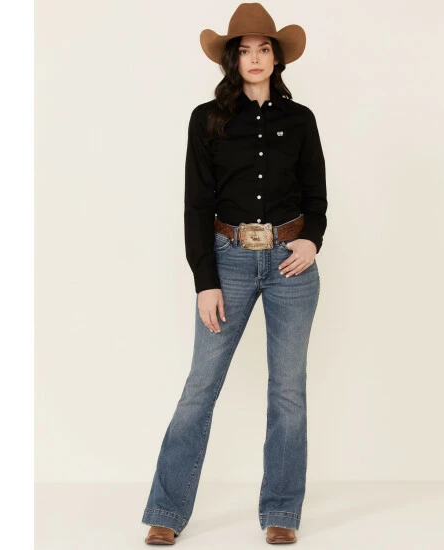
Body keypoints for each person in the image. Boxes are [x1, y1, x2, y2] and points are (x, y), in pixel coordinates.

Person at [142, 3, 327, 545]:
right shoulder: (207, 119)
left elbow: (316, 194)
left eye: (264, 49)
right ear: (232, 59)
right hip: (229, 261)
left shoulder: (301, 120)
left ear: (277, 57)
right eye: (244, 51)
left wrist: (312, 238)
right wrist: (206, 280)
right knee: (200, 386)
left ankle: (281, 513)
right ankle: (166, 511)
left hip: (291, 263)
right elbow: (196, 204)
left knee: (288, 390)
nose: (255, 58)